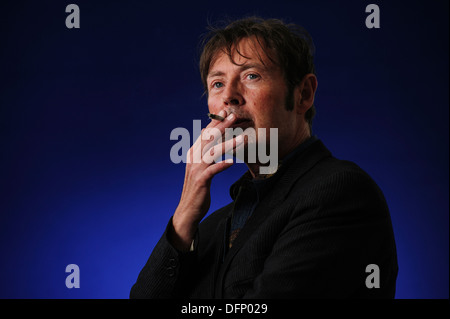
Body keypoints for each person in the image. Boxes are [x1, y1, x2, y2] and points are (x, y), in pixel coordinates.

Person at [130, 17, 398, 299]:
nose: (229, 97)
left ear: (303, 94)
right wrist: (184, 216)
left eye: (251, 76)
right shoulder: (210, 228)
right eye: (217, 83)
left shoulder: (340, 192)